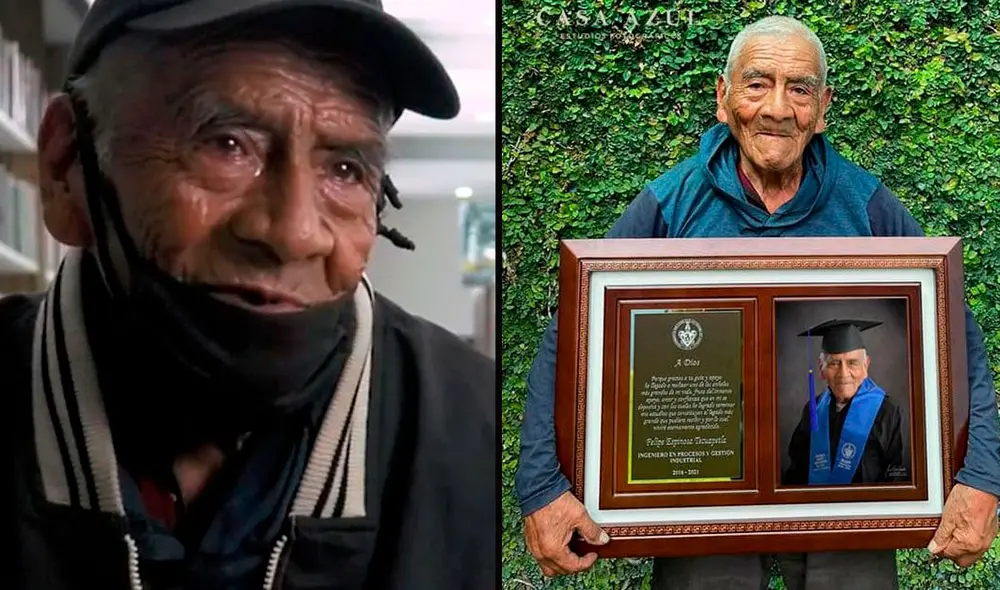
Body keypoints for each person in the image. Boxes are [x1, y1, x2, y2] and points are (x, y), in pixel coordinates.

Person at [0, 1, 495, 589]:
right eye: (227, 144)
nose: (294, 232)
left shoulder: (489, 441)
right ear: (66, 166)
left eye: (344, 169)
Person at [515, 15, 1000, 590]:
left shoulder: (868, 208)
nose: (776, 107)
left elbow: (955, 336)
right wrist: (542, 483)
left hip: (845, 511)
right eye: (756, 83)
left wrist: (983, 474)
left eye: (799, 89)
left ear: (823, 107)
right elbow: (572, 335)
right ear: (723, 98)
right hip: (702, 490)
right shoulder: (670, 207)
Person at [783, 319, 907, 486]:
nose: (844, 373)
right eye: (834, 363)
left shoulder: (888, 411)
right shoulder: (813, 410)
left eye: (852, 363)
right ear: (821, 368)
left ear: (866, 365)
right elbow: (796, 471)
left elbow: (899, 475)